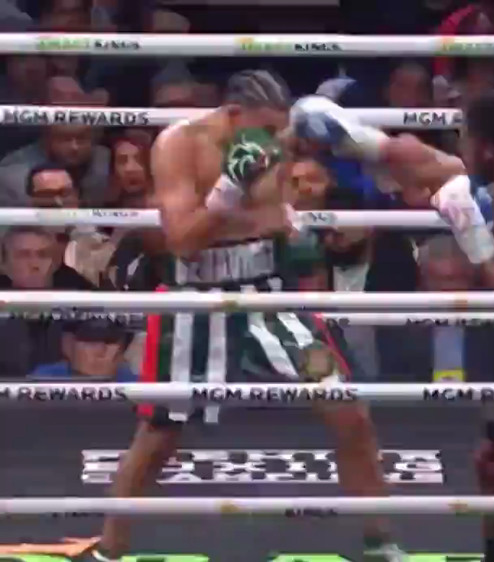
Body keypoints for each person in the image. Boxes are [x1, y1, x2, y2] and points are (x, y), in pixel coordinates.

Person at [290, 91, 494, 562]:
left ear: (486, 147)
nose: (460, 146)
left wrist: (471, 231)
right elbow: (417, 158)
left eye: (466, 138)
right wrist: (351, 136)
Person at [85, 70, 406, 562]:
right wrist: (230, 189)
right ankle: (109, 550)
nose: (276, 141)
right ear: (233, 114)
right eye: (265, 128)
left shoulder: (273, 141)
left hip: (268, 298)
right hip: (194, 300)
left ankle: (381, 542)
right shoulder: (178, 145)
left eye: (280, 129)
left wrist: (280, 221)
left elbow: (278, 221)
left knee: (348, 410)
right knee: (160, 435)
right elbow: (182, 240)